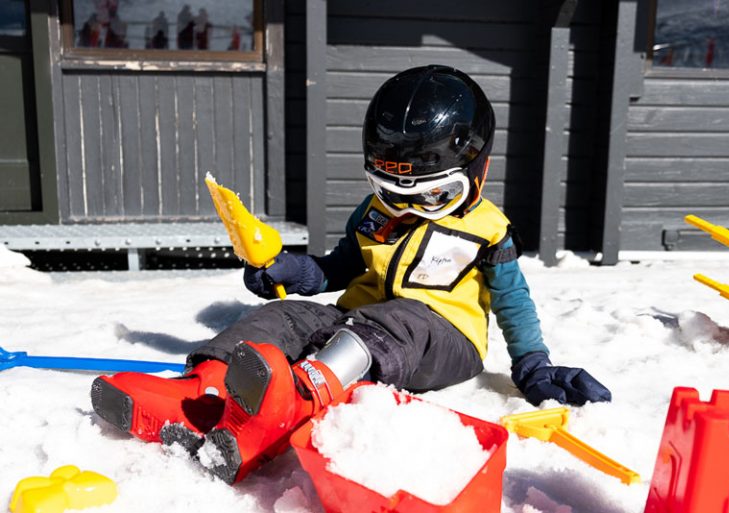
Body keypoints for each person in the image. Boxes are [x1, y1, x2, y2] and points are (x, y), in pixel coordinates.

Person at [91, 65, 611, 485]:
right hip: (358, 321)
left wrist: (535, 366)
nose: (406, 208)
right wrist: (286, 269)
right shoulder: (373, 216)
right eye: (391, 192)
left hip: (443, 340)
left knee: (402, 318)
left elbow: (514, 304)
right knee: (284, 317)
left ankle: (296, 397)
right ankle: (201, 393)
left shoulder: (489, 232)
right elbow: (337, 268)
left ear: (479, 171)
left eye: (431, 196)